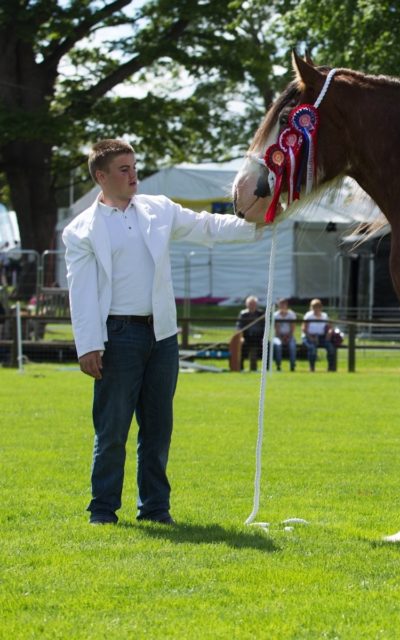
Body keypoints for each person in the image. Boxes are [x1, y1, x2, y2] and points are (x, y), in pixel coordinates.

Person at [63, 138, 258, 525]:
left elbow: (207, 226)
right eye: (124, 169)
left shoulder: (159, 208)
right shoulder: (79, 231)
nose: (133, 175)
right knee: (112, 429)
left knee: (158, 429)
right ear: (101, 176)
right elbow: (80, 293)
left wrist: (258, 223)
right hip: (117, 335)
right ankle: (102, 510)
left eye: (134, 167)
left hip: (163, 335)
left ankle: (154, 509)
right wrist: (88, 346)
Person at [302, 298, 337, 372]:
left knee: (331, 348)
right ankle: (312, 368)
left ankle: (331, 368)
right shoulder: (308, 315)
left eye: (318, 306)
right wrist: (310, 337)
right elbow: (304, 328)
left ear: (321, 307)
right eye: (314, 307)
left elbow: (330, 327)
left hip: (322, 337)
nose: (316, 308)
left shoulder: (324, 316)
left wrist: (329, 333)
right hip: (309, 337)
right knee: (312, 349)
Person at [237, 295, 265, 372]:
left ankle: (254, 368)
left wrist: (263, 337)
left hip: (258, 337)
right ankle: (240, 368)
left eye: (253, 304)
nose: (252, 306)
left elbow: (264, 327)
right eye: (250, 304)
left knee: (255, 348)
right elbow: (239, 327)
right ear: (246, 305)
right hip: (246, 337)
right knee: (241, 346)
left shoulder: (261, 314)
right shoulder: (243, 314)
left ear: (257, 305)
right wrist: (241, 337)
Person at [272, 297, 298, 371]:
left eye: (284, 304)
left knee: (292, 346)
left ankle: (292, 365)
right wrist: (281, 337)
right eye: (281, 304)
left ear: (287, 305)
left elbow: (293, 328)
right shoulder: (275, 315)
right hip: (278, 336)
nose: (282, 306)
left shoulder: (292, 314)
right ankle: (278, 365)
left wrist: (288, 337)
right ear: (278, 305)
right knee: (278, 346)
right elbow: (276, 329)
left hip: (290, 336)